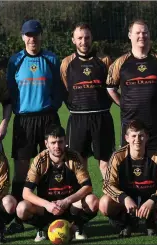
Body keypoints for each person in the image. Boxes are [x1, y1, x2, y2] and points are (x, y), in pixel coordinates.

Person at [6, 19, 65, 233]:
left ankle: (48, 213)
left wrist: (52, 105)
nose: (32, 39)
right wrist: (20, 109)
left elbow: (59, 87)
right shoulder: (15, 60)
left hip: (48, 118)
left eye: (36, 35)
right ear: (23, 37)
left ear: (41, 36)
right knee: (21, 169)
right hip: (24, 121)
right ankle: (17, 218)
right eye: (28, 35)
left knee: (49, 168)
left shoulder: (50, 58)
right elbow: (10, 89)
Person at [106, 19, 157, 161]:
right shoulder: (120, 63)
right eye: (138, 32)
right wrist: (124, 104)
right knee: (131, 167)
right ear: (130, 35)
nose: (142, 36)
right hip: (130, 126)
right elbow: (111, 89)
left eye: (145, 32)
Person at [16, 125, 99, 242]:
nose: (57, 146)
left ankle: (77, 226)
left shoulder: (74, 157)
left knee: (93, 201)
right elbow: (26, 193)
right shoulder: (39, 161)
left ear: (65, 141)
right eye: (53, 142)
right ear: (46, 143)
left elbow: (87, 187)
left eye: (60, 142)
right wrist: (47, 205)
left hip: (70, 207)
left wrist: (66, 201)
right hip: (47, 209)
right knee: (21, 208)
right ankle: (42, 227)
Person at [99, 120, 157, 237]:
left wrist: (153, 200)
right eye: (134, 136)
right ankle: (125, 221)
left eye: (141, 136)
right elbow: (108, 184)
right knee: (104, 203)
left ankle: (153, 219)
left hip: (150, 199)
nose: (137, 140)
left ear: (147, 137)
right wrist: (124, 198)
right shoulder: (117, 156)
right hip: (127, 200)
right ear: (127, 138)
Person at [60, 23, 115, 178]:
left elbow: (111, 88)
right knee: (79, 164)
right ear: (73, 40)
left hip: (102, 117)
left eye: (87, 37)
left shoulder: (104, 61)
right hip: (78, 119)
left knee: (105, 164)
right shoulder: (66, 63)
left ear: (92, 38)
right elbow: (66, 89)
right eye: (80, 38)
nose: (84, 41)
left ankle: (110, 200)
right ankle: (81, 202)